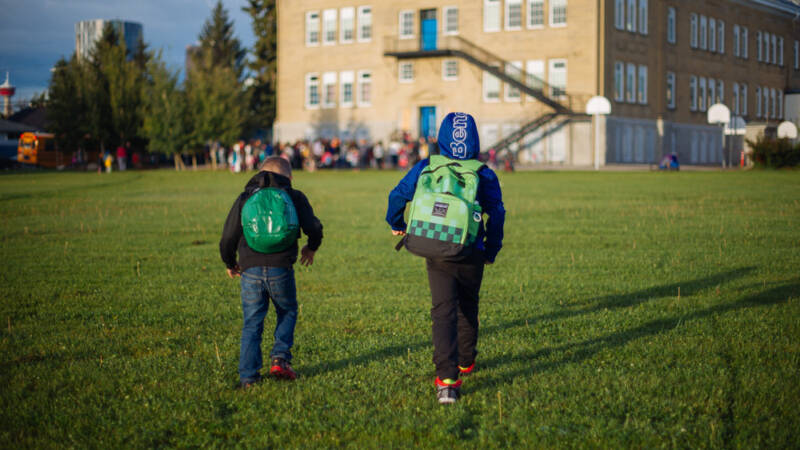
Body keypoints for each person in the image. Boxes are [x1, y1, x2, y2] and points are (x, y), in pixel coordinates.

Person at [386, 112, 505, 404]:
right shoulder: (484, 173)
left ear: (442, 139)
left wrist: (396, 224)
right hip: (471, 249)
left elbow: (397, 195)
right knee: (468, 305)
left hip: (434, 244)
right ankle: (466, 360)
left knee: (443, 310)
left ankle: (447, 380)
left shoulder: (427, 165)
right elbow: (498, 214)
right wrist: (491, 249)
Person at [220, 156, 324, 388]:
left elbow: (228, 235)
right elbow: (314, 227)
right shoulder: (294, 196)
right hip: (281, 268)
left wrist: (230, 262)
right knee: (287, 310)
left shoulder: (246, 196)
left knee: (252, 322)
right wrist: (312, 247)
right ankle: (280, 358)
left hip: (249, 269)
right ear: (290, 176)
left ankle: (248, 378)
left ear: (259, 173)